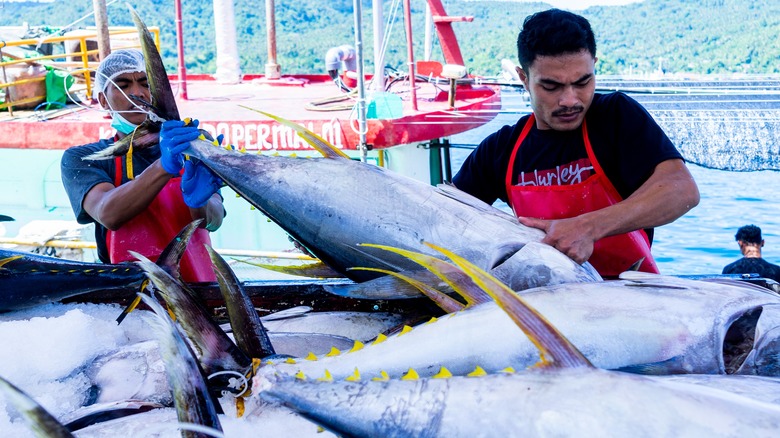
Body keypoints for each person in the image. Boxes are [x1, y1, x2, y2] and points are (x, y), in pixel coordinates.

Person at [452, 9, 700, 277]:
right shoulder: (500, 150)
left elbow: (681, 190)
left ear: (594, 65)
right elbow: (449, 220)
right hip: (545, 301)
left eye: (583, 82)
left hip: (631, 297)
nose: (570, 100)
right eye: (551, 86)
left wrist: (588, 228)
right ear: (524, 79)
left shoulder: (614, 117)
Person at [61, 49, 224, 282]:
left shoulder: (193, 146)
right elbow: (108, 213)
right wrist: (163, 167)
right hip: (130, 296)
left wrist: (201, 203)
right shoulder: (85, 157)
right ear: (103, 100)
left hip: (201, 289)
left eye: (146, 84)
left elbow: (215, 220)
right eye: (123, 85)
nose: (137, 93)